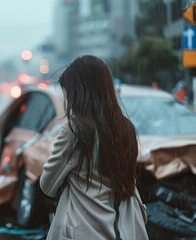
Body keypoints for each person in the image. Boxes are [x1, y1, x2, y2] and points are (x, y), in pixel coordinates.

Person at [40, 55, 149, 240]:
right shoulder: (125, 128)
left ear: (79, 93)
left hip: (85, 229)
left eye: (69, 93)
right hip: (126, 229)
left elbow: (47, 185)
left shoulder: (75, 130)